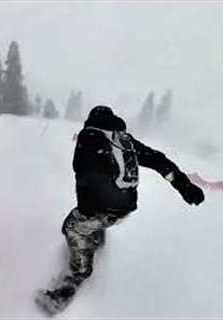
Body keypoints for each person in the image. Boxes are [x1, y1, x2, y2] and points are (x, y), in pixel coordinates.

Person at [36, 106, 205, 315]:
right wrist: (185, 186)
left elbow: (83, 173)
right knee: (94, 220)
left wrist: (86, 209)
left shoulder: (89, 136)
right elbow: (158, 160)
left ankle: (76, 275)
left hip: (102, 208)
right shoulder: (123, 140)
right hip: (125, 208)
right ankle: (97, 236)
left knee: (72, 227)